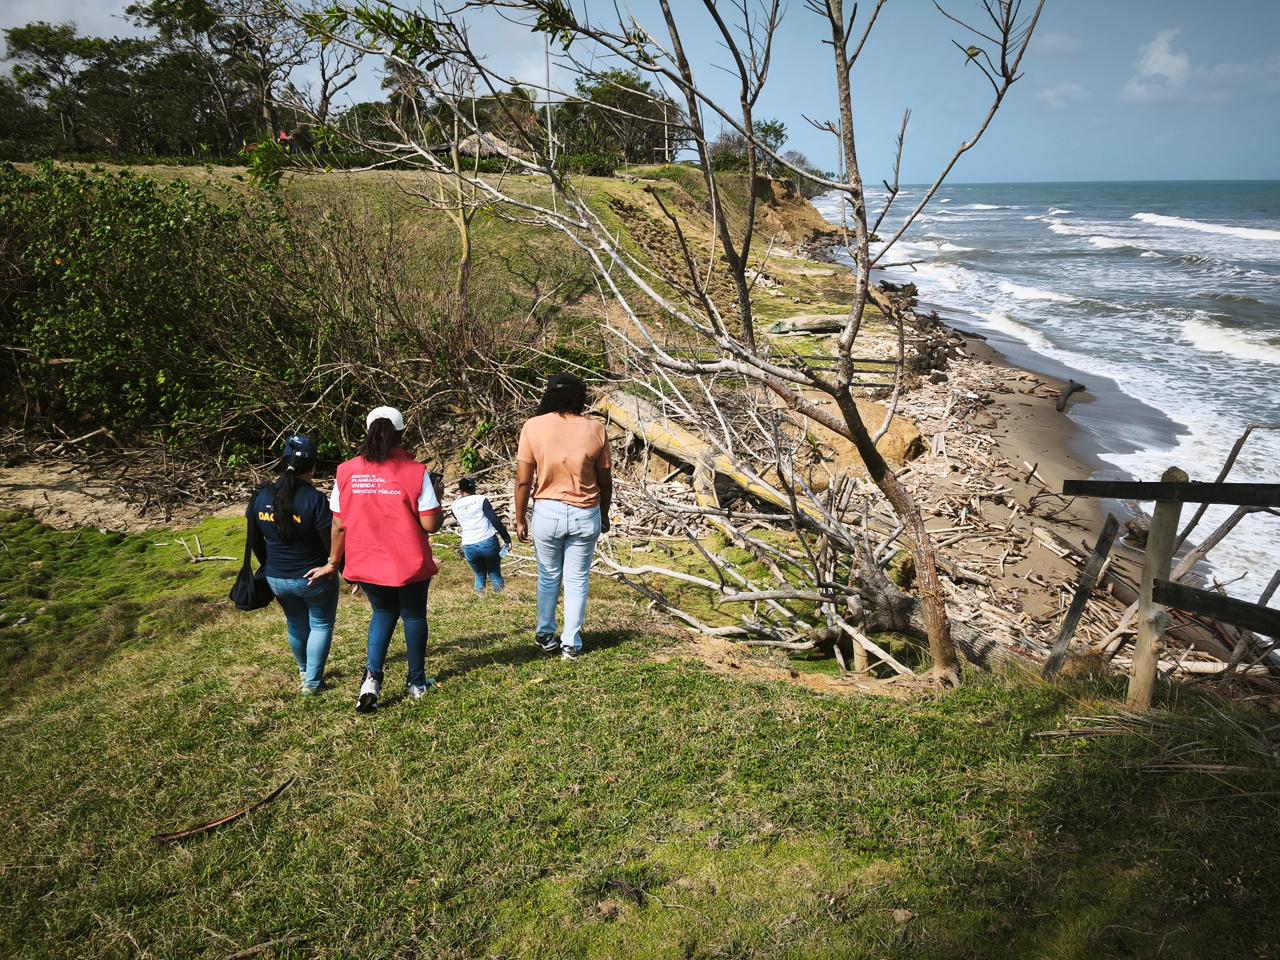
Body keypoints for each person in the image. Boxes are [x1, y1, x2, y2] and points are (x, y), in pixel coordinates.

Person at [305, 406, 443, 713]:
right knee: (414, 617)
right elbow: (430, 525)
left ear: (367, 431)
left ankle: (371, 680)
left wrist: (334, 562)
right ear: (401, 434)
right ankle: (416, 682)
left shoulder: (345, 472)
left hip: (366, 561)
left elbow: (339, 525)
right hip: (409, 562)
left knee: (382, 614)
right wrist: (439, 499)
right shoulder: (415, 471)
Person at [514, 374, 612, 660]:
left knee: (548, 576)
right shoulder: (596, 429)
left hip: (547, 511)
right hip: (586, 512)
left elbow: (523, 481)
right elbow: (605, 482)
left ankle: (546, 634)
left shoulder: (533, 427)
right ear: (580, 398)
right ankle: (571, 642)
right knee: (577, 579)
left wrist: (520, 518)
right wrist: (603, 515)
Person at [248, 434, 337, 696]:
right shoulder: (315, 499)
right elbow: (329, 540)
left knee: (296, 624)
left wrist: (268, 565)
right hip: (313, 576)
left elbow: (254, 539)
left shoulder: (261, 495)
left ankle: (303, 670)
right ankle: (312, 682)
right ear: (312, 467)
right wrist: (333, 565)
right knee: (320, 624)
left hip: (277, 577)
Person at [450, 476, 512, 595]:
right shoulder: (481, 499)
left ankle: (480, 600)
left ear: (460, 490)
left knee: (479, 575)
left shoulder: (454, 505)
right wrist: (506, 538)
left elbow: (460, 520)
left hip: (468, 544)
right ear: (474, 487)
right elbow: (494, 520)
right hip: (487, 541)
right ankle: (501, 600)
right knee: (494, 572)